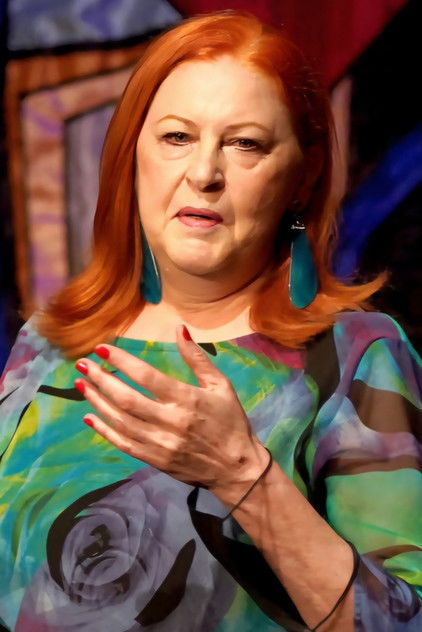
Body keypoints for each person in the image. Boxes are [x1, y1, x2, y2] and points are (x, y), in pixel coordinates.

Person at [0, 10, 420, 632]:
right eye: (176, 137)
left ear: (302, 177)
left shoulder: (356, 354)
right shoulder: (50, 343)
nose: (203, 174)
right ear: (132, 154)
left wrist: (244, 475)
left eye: (245, 143)